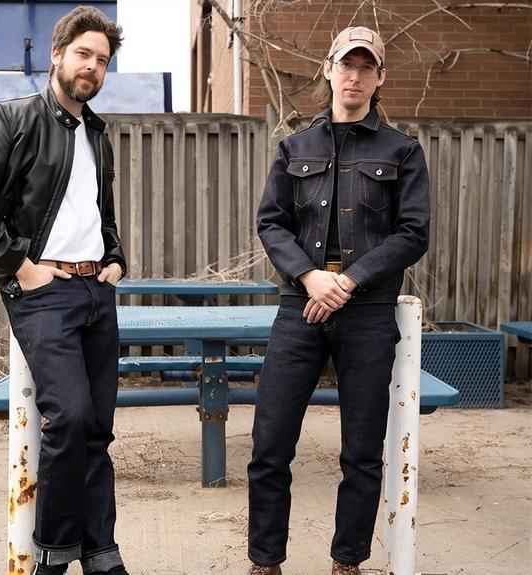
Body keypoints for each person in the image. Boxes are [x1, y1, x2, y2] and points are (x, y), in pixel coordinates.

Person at [0, 6, 129, 575]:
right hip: (44, 291)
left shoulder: (98, 133)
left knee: (96, 431)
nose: (92, 67)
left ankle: (102, 554)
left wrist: (116, 257)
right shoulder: (11, 117)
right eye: (83, 54)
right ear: (56, 54)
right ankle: (52, 554)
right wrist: (20, 265)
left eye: (102, 60)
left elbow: (99, 213)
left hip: (96, 290)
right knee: (69, 419)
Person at [248, 26, 430, 575]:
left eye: (365, 67)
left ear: (380, 78)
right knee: (270, 445)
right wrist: (310, 276)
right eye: (345, 65)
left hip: (367, 312)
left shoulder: (402, 151)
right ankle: (265, 561)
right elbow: (271, 223)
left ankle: (346, 561)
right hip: (299, 306)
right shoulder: (294, 147)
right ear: (328, 70)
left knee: (362, 452)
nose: (354, 76)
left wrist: (347, 282)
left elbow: (413, 233)